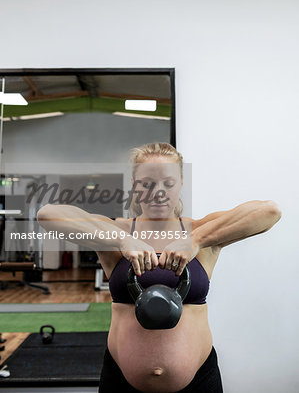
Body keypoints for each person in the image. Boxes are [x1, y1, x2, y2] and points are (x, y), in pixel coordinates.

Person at [37, 142, 282, 392]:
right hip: (121, 382)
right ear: (135, 186)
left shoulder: (201, 232)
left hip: (198, 382)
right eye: (147, 183)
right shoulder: (115, 233)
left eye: (168, 183)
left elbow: (269, 212)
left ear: (181, 185)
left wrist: (195, 241)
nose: (158, 192)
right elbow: (48, 215)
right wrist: (121, 239)